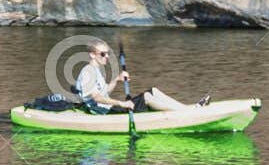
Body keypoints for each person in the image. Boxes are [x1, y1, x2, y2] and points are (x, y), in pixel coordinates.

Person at [71, 41, 209, 113]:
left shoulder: (96, 70)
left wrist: (116, 79)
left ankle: (186, 108)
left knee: (153, 91)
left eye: (107, 53)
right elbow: (97, 98)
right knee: (146, 98)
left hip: (108, 107)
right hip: (104, 112)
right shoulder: (88, 72)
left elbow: (104, 92)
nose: (106, 56)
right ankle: (186, 112)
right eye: (102, 54)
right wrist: (121, 103)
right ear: (92, 54)